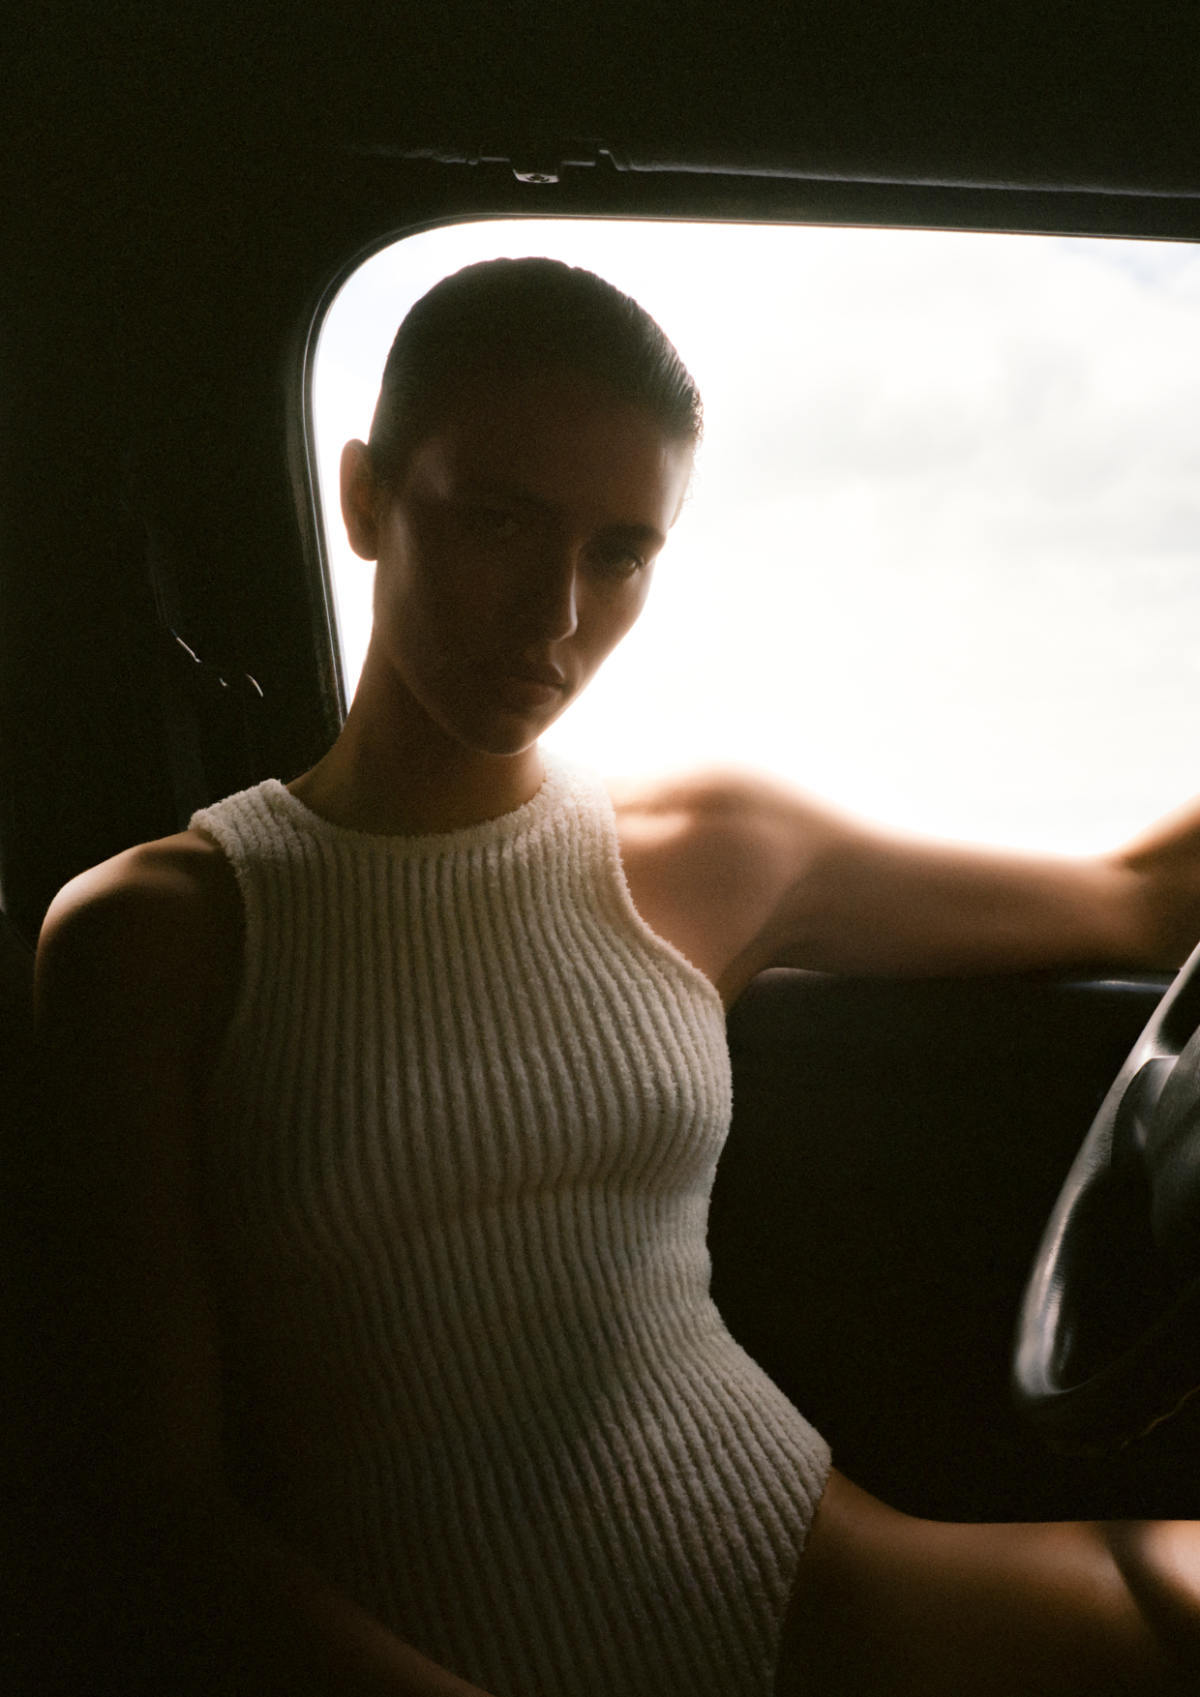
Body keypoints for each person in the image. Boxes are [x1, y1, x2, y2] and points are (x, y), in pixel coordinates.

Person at [31, 257, 1200, 1697]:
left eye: (620, 552)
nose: (554, 616)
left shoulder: (715, 845)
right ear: (365, 499)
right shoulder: (158, 934)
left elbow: (1144, 898)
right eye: (498, 521)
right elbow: (147, 1515)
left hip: (800, 1575)